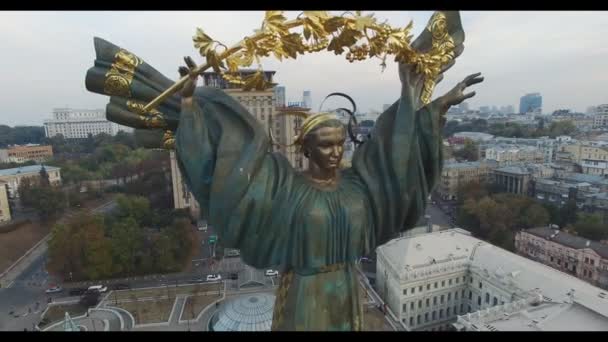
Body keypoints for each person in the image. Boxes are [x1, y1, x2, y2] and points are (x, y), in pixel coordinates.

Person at [85, 11, 482, 331]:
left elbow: (397, 167)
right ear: (303, 147)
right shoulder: (284, 188)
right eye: (324, 144)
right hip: (304, 300)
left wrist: (431, 108)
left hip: (346, 293)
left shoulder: (361, 187)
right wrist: (189, 109)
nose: (334, 151)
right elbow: (224, 175)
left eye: (340, 142)